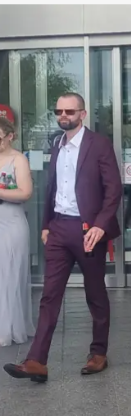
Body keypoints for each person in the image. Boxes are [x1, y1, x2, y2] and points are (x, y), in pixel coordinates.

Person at [4, 92, 122, 383]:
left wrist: (100, 226)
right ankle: (36, 361)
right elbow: (52, 188)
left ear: (82, 114)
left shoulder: (99, 145)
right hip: (58, 230)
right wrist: (46, 224)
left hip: (88, 231)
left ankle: (98, 353)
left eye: (69, 111)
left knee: (95, 293)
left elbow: (114, 190)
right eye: (58, 111)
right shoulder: (57, 144)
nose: (63, 116)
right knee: (50, 296)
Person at [0, 117, 36, 347]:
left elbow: (25, 193)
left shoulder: (18, 160)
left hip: (11, 222)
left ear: (10, 136)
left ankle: (8, 328)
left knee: (10, 275)